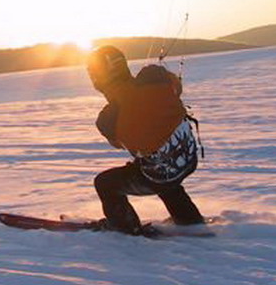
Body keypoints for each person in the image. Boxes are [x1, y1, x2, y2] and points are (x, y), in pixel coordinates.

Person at [87, 45, 205, 235]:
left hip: (161, 173)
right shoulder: (153, 76)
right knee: (163, 173)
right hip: (189, 158)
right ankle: (190, 221)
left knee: (105, 183)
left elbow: (119, 143)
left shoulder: (107, 118)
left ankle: (126, 228)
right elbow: (177, 87)